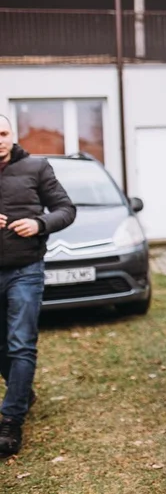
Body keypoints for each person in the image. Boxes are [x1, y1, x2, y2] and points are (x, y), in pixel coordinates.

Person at [0, 114, 76, 457]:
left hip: (25, 269)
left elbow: (65, 209)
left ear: (11, 134)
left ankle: (10, 421)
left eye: (2, 133)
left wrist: (39, 223)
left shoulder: (36, 167)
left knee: (20, 343)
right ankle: (22, 388)